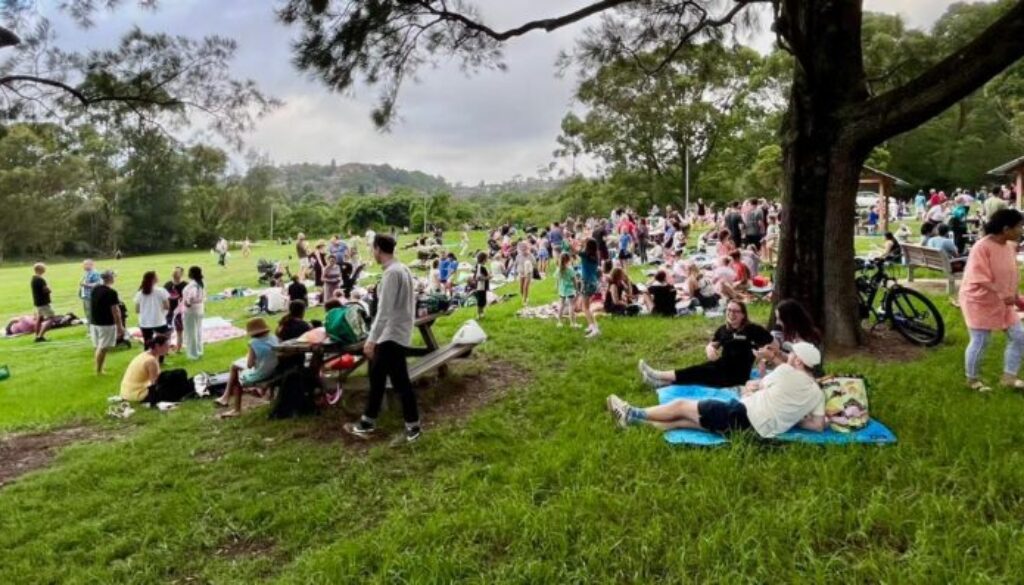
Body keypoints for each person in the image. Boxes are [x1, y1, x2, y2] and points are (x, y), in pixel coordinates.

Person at [608, 342, 826, 437]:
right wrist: (792, 416)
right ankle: (633, 423)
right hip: (755, 433)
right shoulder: (817, 393)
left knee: (680, 406)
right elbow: (817, 426)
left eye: (792, 355)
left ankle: (631, 412)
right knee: (682, 422)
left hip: (741, 417)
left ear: (799, 363)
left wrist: (754, 389)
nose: (788, 357)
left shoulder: (786, 372)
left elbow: (755, 386)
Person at [344, 234, 422, 442]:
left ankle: (406, 426)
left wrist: (371, 340)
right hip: (399, 332)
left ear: (378, 249)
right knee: (382, 379)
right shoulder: (402, 269)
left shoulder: (391, 274)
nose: (372, 252)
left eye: (372, 249)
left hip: (391, 335)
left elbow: (384, 311)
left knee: (394, 381)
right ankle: (372, 422)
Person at [638, 300, 774, 388]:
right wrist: (709, 348)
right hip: (721, 366)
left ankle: (658, 375)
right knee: (697, 373)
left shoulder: (752, 329)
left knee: (698, 372)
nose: (731, 314)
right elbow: (713, 344)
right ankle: (660, 382)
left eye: (736, 311)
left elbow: (772, 344)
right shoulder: (723, 329)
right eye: (729, 310)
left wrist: (762, 357)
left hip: (737, 375)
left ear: (743, 315)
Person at [959, 209, 1024, 392]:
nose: (1021, 229)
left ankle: (1009, 378)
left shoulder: (1009, 246)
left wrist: (1016, 297)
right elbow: (978, 277)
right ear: (1006, 229)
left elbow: (1009, 275)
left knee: (1020, 337)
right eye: (1019, 226)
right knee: (981, 340)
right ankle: (972, 381)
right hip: (979, 301)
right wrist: (1003, 294)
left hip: (1003, 302)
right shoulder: (982, 247)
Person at [216, 318, 280, 418]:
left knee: (236, 372)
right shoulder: (274, 338)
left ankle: (234, 406)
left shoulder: (254, 343)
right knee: (237, 366)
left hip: (262, 373)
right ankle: (227, 396)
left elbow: (250, 364)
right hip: (275, 370)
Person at [119, 334, 194, 404]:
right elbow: (154, 383)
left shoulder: (146, 354)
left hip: (127, 392)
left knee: (176, 376)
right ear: (158, 346)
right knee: (179, 377)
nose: (168, 349)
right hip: (137, 394)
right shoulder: (151, 361)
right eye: (166, 346)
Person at [90, 270, 124, 374]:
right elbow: (115, 311)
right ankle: (99, 370)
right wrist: (120, 326)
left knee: (98, 346)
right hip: (106, 323)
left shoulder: (95, 289)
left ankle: (100, 367)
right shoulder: (111, 292)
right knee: (103, 348)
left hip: (95, 321)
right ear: (110, 279)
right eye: (113, 277)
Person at [134, 271, 170, 360]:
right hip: (159, 320)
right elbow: (167, 306)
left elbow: (137, 310)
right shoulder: (161, 291)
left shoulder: (139, 293)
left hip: (145, 322)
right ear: (154, 279)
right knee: (162, 342)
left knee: (147, 342)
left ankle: (148, 359)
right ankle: (161, 360)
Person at [182, 266, 206, 360]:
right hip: (199, 308)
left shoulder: (193, 285)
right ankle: (199, 351)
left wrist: (187, 302)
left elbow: (192, 295)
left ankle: (193, 354)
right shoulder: (201, 282)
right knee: (198, 331)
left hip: (191, 311)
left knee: (191, 332)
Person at [580, 238, 601, 338]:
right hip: (593, 282)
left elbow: (573, 250)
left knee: (585, 308)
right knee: (587, 307)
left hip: (587, 283)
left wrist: (569, 241)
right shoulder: (595, 256)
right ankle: (593, 325)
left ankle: (594, 329)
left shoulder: (585, 255)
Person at [164, 267, 187, 353]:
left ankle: (177, 348)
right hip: (170, 311)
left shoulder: (185, 285)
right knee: (171, 331)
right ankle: (170, 349)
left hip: (179, 311)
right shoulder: (168, 285)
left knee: (177, 331)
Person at [30, 263, 54, 343]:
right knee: (51, 318)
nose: (45, 270)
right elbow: (46, 290)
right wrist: (49, 289)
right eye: (44, 268)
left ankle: (36, 335)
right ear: (40, 270)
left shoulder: (33, 279)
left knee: (39, 319)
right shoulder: (40, 279)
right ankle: (40, 336)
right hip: (43, 303)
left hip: (38, 302)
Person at [79, 259, 102, 326]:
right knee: (88, 313)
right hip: (85, 296)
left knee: (91, 313)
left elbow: (98, 284)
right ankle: (91, 328)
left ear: (91, 265)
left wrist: (85, 284)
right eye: (83, 264)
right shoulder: (87, 273)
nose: (83, 266)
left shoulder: (94, 273)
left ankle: (93, 329)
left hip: (91, 296)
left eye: (85, 264)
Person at [515, 240, 535, 306]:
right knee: (521, 288)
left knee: (525, 287)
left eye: (525, 249)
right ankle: (523, 296)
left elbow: (534, 263)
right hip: (521, 273)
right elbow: (516, 264)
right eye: (522, 250)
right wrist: (515, 272)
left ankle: (525, 300)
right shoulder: (518, 256)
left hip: (528, 273)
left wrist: (530, 268)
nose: (523, 251)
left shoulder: (530, 256)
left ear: (527, 249)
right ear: (520, 250)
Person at [471, 251, 490, 319]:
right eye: (486, 259)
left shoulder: (479, 266)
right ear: (484, 259)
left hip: (482, 286)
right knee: (481, 301)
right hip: (480, 286)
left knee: (483, 300)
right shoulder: (480, 267)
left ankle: (481, 312)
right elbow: (478, 277)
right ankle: (479, 314)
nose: (487, 260)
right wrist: (488, 277)